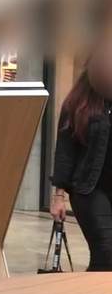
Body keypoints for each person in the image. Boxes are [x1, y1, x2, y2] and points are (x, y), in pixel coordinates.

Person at [51, 61, 112, 271]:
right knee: (106, 251)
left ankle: (93, 291)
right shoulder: (78, 103)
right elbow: (65, 151)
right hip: (89, 189)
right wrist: (58, 197)